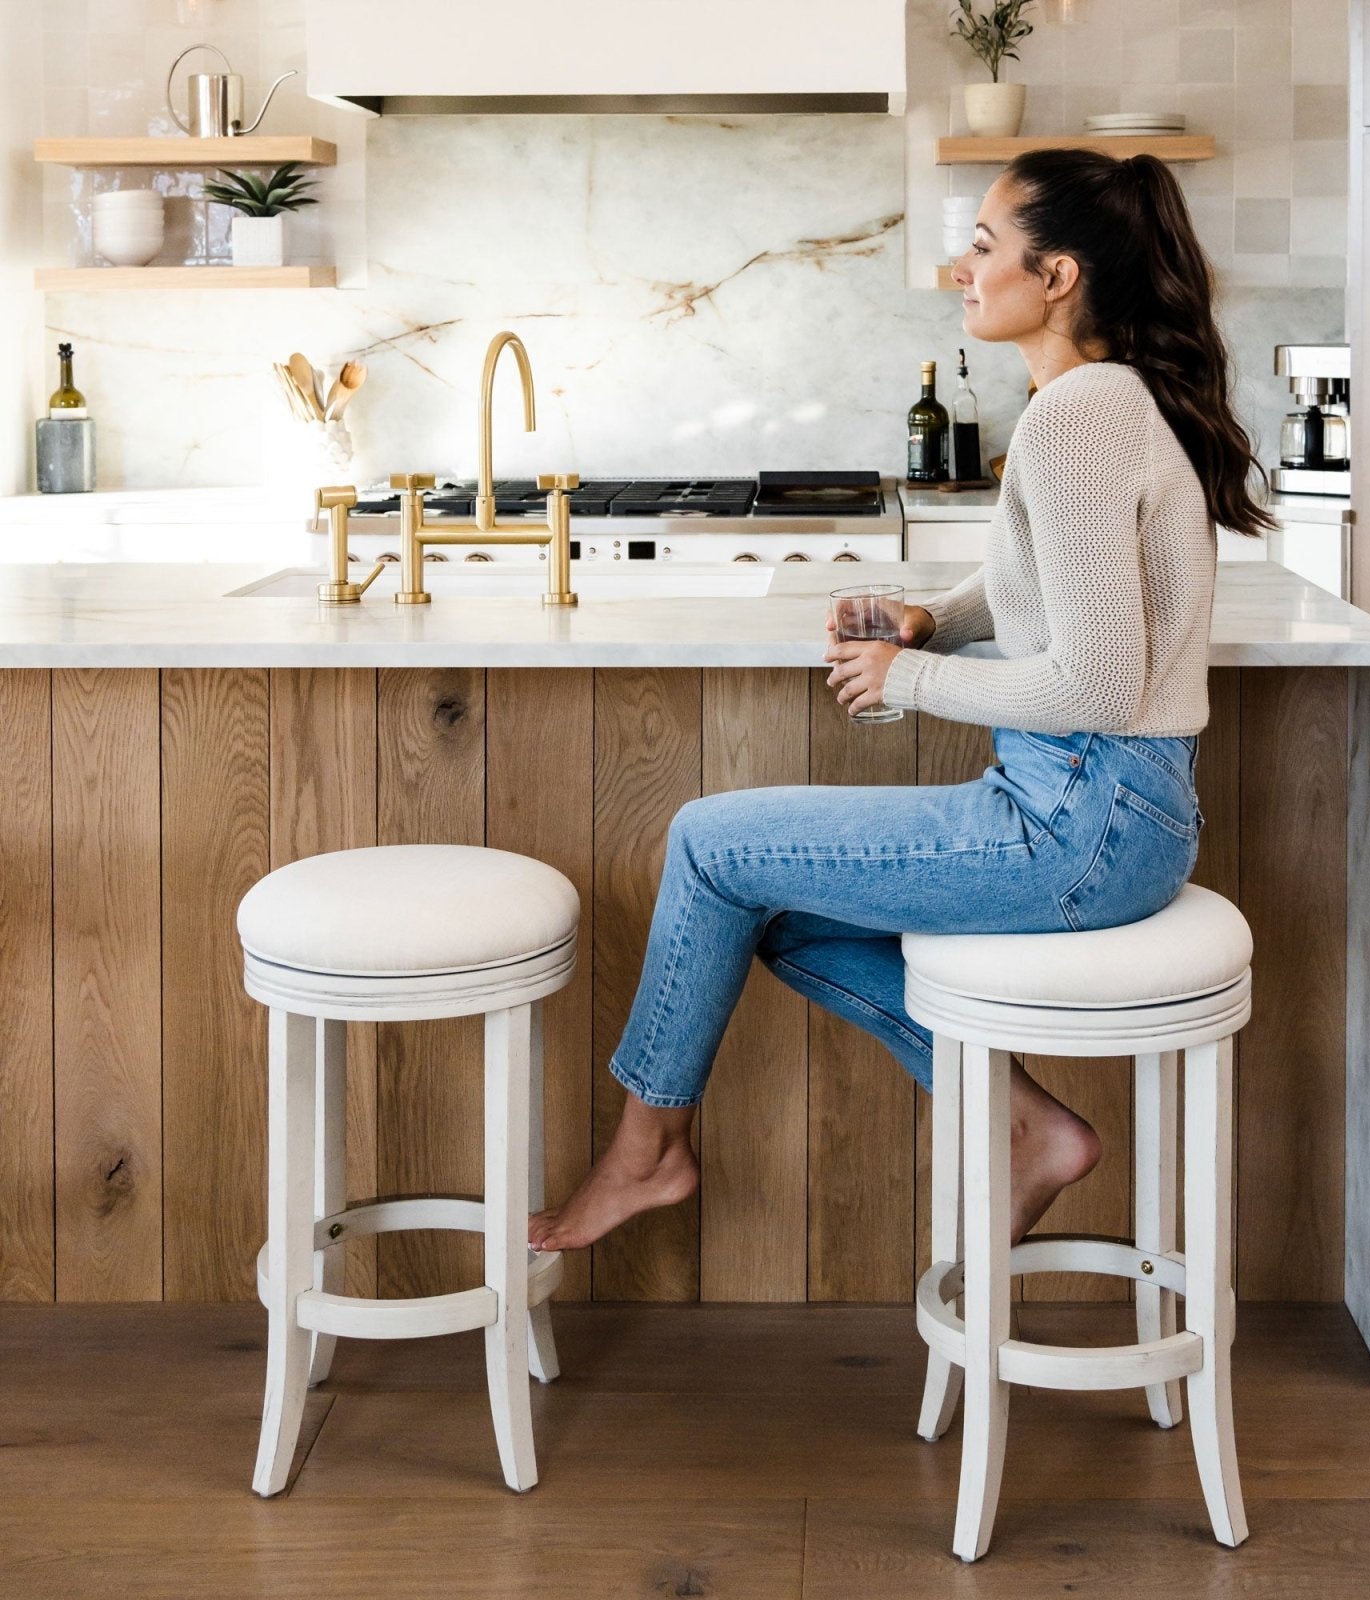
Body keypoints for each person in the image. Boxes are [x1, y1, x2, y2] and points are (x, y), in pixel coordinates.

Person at [528, 148, 1271, 1254]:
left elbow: (1100, 683)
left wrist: (907, 679)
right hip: (1116, 816)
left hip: (1074, 817)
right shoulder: (1105, 400)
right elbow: (1050, 582)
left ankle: (647, 1154)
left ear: (1055, 274)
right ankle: (1022, 1127)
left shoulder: (1077, 417)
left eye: (981, 246)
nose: (960, 269)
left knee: (705, 844)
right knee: (768, 909)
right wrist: (933, 618)